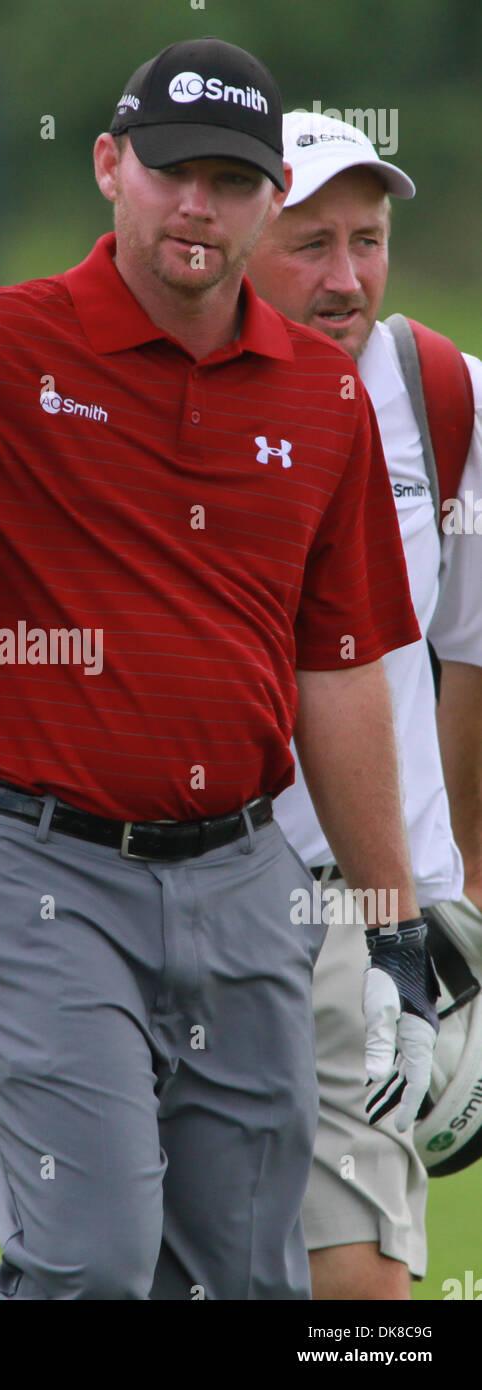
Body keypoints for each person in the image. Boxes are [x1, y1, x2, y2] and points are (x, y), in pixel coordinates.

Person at [0, 39, 437, 1300]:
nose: (198, 205)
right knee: (95, 1263)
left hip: (246, 875)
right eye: (171, 171)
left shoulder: (318, 401)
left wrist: (388, 929)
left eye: (231, 182)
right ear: (110, 167)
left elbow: (335, 673)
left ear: (266, 193)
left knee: (246, 1277)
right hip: (34, 866)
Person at [247, 109, 482, 1300]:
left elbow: (471, 660)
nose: (345, 280)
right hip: (168, 895)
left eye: (368, 240)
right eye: (308, 244)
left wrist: (458, 899)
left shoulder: (444, 395)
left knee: (356, 1283)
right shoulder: (146, 399)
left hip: (363, 911)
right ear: (234, 237)